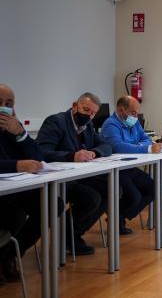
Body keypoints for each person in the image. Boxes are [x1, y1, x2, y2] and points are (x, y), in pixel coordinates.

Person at [37, 92, 111, 255]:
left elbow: (106, 146)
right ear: (74, 105)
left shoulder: (88, 126)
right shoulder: (56, 122)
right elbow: (41, 152)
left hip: (79, 175)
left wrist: (94, 152)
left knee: (112, 189)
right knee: (92, 197)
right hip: (57, 178)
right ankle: (67, 235)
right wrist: (71, 156)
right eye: (85, 110)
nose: (88, 116)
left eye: (92, 113)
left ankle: (72, 233)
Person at [0, 84, 46, 283]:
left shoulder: (13, 127)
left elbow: (39, 158)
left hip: (14, 187)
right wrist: (17, 165)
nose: (4, 108)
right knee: (15, 214)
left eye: (8, 104)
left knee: (51, 205)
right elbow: (20, 164)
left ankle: (10, 255)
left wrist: (21, 134)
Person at [100, 96, 161, 235]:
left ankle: (118, 217)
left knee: (154, 188)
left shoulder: (134, 122)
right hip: (114, 169)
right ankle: (117, 218)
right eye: (133, 112)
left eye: (137, 113)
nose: (136, 116)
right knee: (134, 196)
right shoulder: (111, 124)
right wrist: (145, 148)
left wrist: (136, 146)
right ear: (122, 110)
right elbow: (118, 147)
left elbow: (147, 139)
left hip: (129, 166)